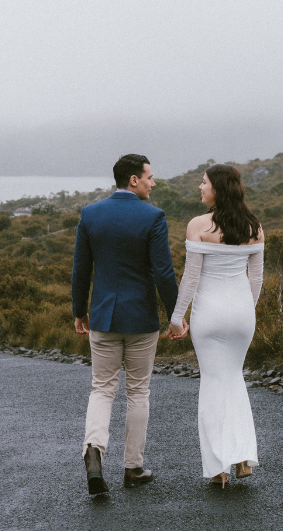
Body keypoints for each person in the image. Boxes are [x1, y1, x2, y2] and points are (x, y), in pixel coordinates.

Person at [72, 153, 183, 495]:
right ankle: (133, 468)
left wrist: (80, 311)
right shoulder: (153, 216)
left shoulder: (90, 214)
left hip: (103, 316)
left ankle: (94, 450)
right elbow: (163, 272)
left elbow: (81, 268)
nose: (153, 183)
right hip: (140, 319)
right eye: (149, 177)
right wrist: (176, 316)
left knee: (102, 389)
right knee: (138, 391)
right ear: (134, 180)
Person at [167, 164, 264, 488]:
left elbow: (191, 279)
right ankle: (242, 457)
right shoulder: (254, 227)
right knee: (234, 378)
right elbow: (256, 279)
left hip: (209, 315)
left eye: (204, 182)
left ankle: (218, 467)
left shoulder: (198, 225)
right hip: (241, 314)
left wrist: (176, 317)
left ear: (217, 189)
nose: (200, 186)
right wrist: (246, 311)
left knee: (212, 383)